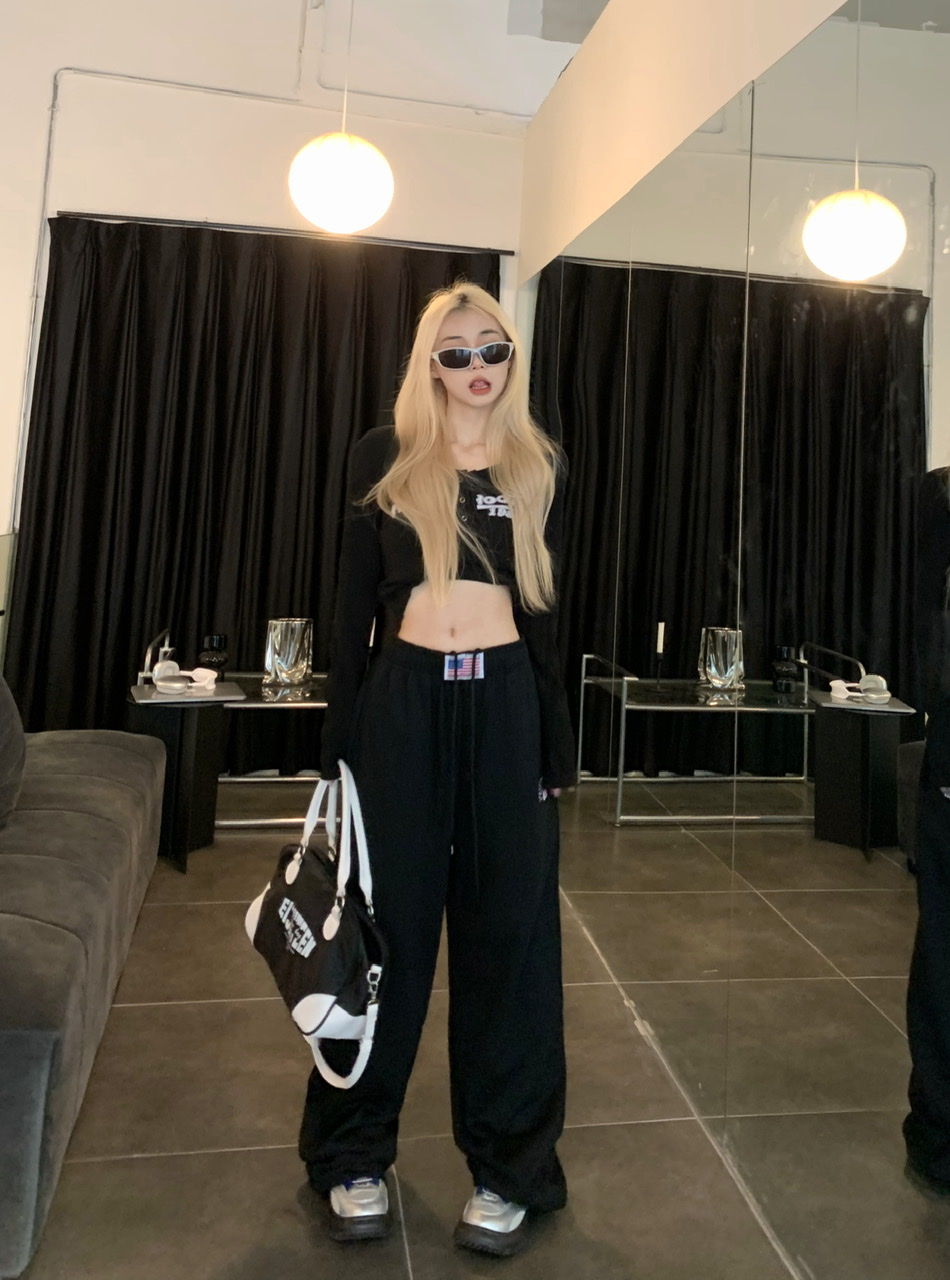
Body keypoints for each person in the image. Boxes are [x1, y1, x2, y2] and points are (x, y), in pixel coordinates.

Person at [299, 281, 576, 1257]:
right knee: (382, 940)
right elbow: (348, 613)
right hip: (403, 706)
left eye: (489, 347)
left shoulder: (536, 462)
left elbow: (545, 617)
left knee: (510, 941)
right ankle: (352, 1151)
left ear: (511, 355)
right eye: (453, 352)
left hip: (503, 707)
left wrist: (554, 743)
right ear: (429, 364)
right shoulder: (383, 456)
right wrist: (337, 746)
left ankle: (509, 1169)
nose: (474, 366)